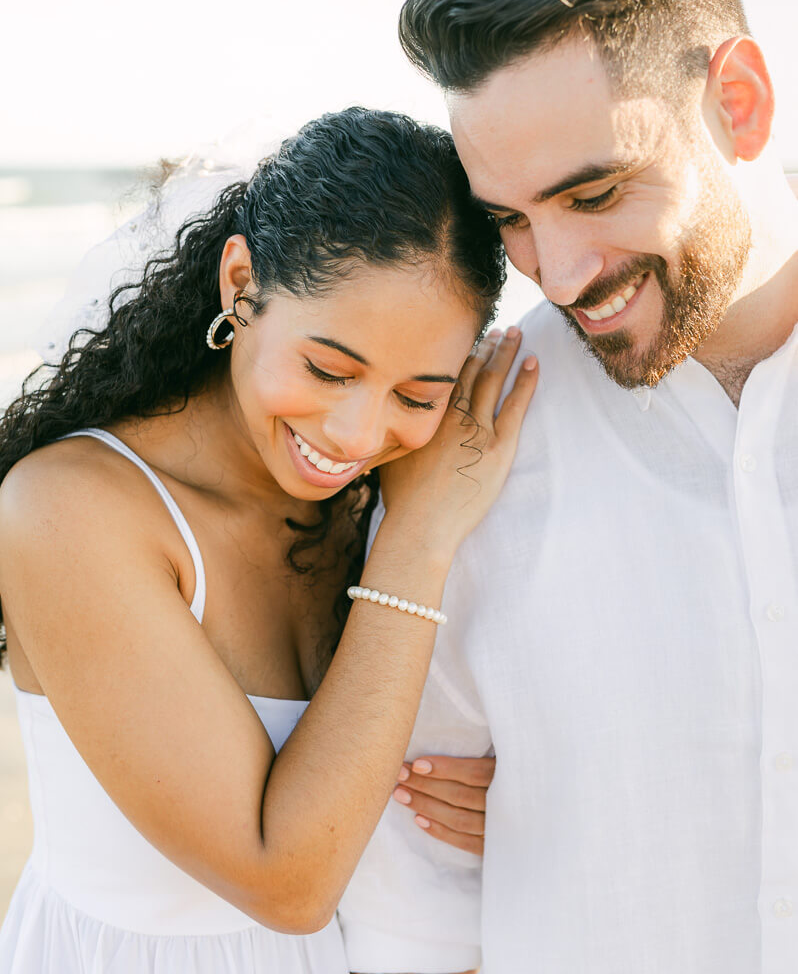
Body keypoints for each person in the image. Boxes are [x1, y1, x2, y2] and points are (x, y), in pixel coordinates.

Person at [337, 0, 798, 974]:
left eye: (595, 195)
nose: (561, 274)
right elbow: (411, 913)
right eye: (511, 220)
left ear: (736, 102)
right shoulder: (469, 454)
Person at [0, 106, 538, 973]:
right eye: (329, 369)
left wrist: (529, 801)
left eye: (417, 393)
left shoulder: (386, 489)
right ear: (240, 281)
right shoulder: (68, 512)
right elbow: (287, 881)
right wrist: (417, 542)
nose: (359, 434)